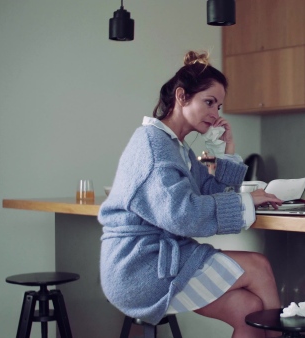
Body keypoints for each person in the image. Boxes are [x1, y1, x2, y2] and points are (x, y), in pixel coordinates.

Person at [98, 50, 283, 338]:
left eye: (219, 106)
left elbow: (210, 193)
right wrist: (246, 200)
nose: (216, 114)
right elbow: (185, 215)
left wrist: (227, 152)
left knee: (249, 310)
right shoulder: (153, 146)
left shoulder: (177, 147)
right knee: (259, 266)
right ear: (182, 97)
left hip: (162, 259)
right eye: (209, 102)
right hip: (140, 268)